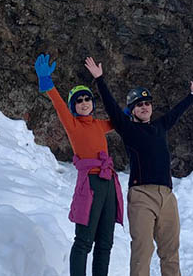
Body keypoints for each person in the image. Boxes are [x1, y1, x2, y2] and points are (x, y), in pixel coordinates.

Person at [83, 56, 193, 276]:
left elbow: (176, 113)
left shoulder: (160, 126)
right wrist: (100, 80)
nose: (144, 107)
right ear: (132, 110)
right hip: (141, 195)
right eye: (139, 105)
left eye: (147, 103)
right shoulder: (128, 129)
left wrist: (192, 96)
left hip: (167, 195)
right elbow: (111, 108)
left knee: (170, 251)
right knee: (142, 250)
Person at [34, 54, 123, 276]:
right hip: (90, 183)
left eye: (87, 99)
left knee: (105, 242)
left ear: (93, 103)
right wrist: (47, 82)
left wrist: (133, 109)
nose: (84, 103)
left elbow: (121, 120)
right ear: (75, 106)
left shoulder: (100, 125)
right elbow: (58, 105)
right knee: (84, 240)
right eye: (79, 100)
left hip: (109, 183)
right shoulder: (73, 124)